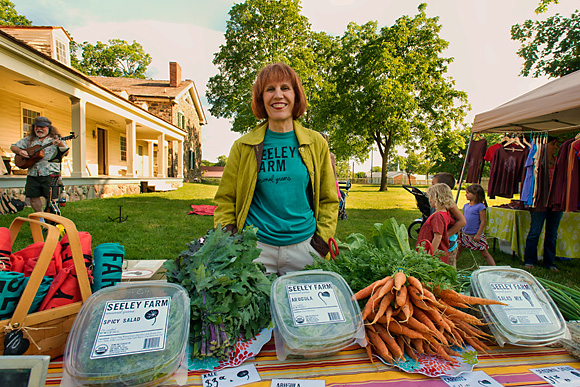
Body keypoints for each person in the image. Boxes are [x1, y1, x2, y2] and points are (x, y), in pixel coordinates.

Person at [213, 63, 339, 275]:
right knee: (257, 308)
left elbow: (329, 198)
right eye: (270, 89)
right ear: (261, 98)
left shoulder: (316, 143)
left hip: (305, 248)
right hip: (256, 250)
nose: (278, 95)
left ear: (296, 95)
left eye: (285, 88)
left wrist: (321, 243)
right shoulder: (243, 146)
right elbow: (225, 199)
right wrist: (230, 238)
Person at [10, 116, 69, 214]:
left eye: (43, 127)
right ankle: (40, 218)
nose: (39, 129)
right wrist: (20, 152)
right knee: (33, 197)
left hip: (50, 173)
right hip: (33, 173)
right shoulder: (29, 140)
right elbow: (13, 147)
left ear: (49, 128)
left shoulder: (56, 139)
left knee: (51, 199)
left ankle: (51, 219)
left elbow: (65, 153)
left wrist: (60, 144)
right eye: (37, 126)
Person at [455, 184, 496, 266]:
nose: (466, 195)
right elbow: (462, 219)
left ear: (475, 195)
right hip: (465, 234)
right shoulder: (466, 206)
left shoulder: (480, 207)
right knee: (458, 250)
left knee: (484, 253)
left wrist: (478, 234)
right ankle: (452, 265)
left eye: (468, 193)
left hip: (475, 235)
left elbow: (483, 221)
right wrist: (459, 230)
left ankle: (494, 268)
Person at [431, 172, 466, 266]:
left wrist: (446, 235)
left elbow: (462, 221)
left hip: (448, 244)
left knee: (448, 268)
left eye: (433, 184)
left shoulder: (450, 204)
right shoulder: (438, 203)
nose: (431, 186)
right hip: (439, 242)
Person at [415, 183, 455, 264]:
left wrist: (430, 255)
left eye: (430, 197)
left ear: (437, 198)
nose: (429, 200)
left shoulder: (437, 216)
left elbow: (438, 237)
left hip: (434, 256)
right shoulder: (445, 213)